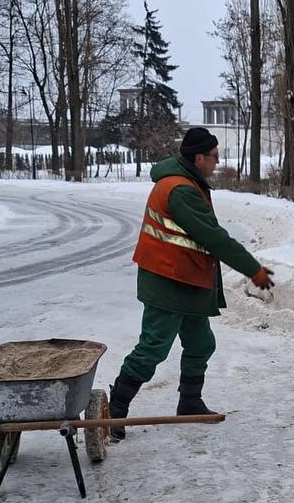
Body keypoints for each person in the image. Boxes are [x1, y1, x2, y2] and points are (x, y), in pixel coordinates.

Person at [107, 127, 274, 441]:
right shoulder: (180, 189)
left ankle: (189, 402)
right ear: (198, 158)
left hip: (186, 278)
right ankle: (114, 410)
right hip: (168, 279)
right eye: (213, 157)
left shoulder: (188, 182)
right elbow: (212, 237)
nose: (217, 162)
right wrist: (253, 269)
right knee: (152, 348)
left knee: (201, 344)